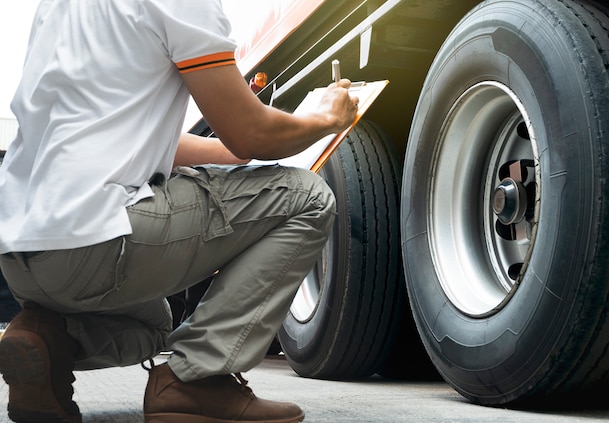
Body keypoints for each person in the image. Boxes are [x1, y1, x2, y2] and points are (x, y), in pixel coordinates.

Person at [0, 1, 358, 422]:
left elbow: (114, 132)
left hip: (22, 253)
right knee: (305, 195)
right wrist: (323, 119)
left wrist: (231, 154)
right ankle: (197, 381)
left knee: (151, 327)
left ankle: (46, 340)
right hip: (95, 240)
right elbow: (252, 132)